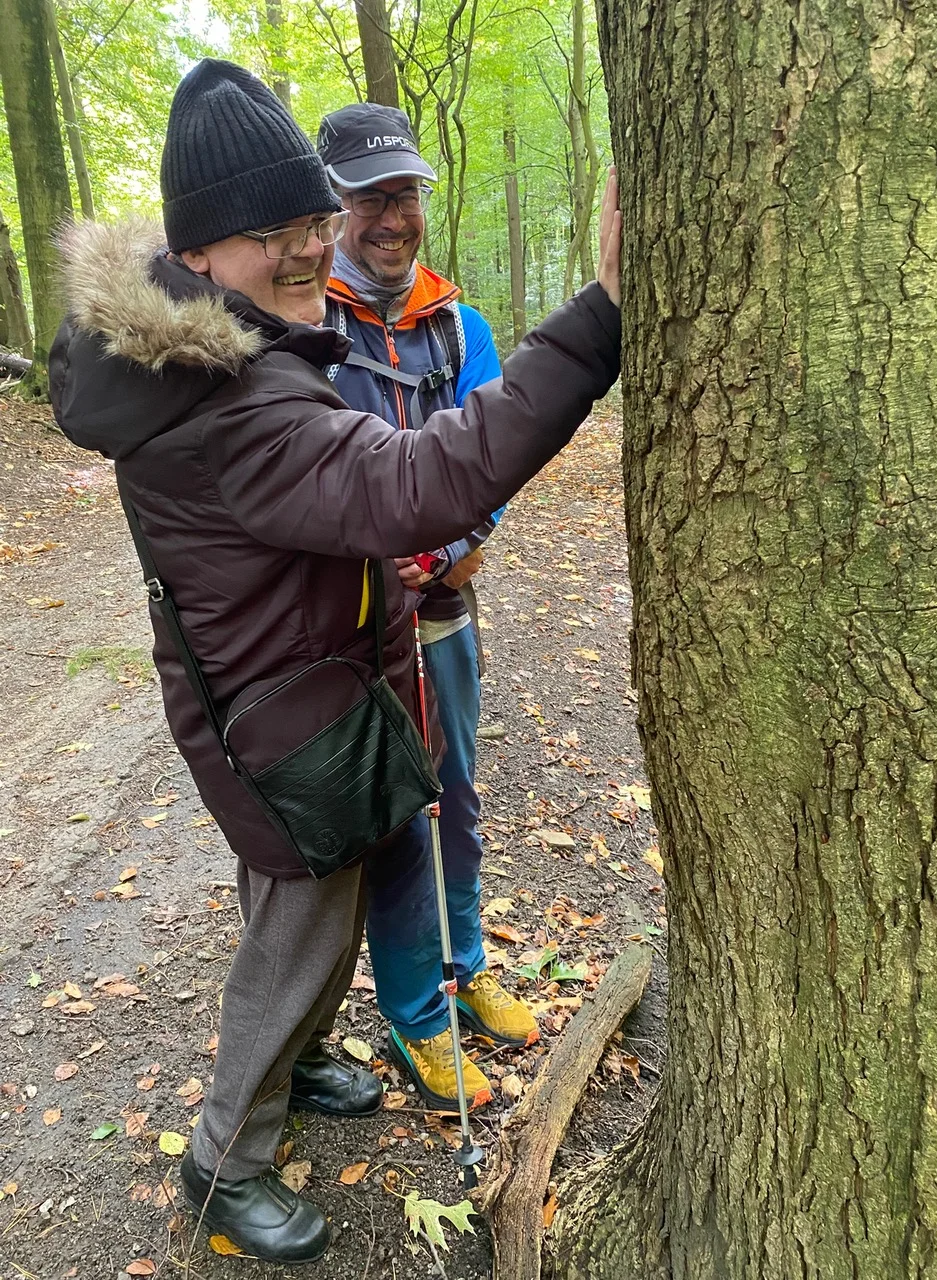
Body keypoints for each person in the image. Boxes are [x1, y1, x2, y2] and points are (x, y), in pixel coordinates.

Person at [49, 59, 620, 1267]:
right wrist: (598, 319)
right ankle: (225, 1158)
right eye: (279, 234)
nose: (312, 250)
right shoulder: (235, 407)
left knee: (325, 893)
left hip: (295, 695)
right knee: (298, 927)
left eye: (315, 221)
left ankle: (303, 1062)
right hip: (278, 719)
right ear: (201, 255)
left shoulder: (211, 360)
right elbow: (426, 479)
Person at [317, 103, 534, 1111]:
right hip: (358, 626)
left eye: (401, 193)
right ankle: (415, 1017)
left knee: (462, 791)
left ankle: (467, 957)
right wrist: (376, 558)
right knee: (403, 811)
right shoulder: (306, 326)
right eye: (367, 198)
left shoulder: (462, 325)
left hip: (444, 606)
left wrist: (446, 550)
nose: (389, 217)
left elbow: (495, 453)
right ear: (334, 209)